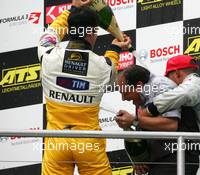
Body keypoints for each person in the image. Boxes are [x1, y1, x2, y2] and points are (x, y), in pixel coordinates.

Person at [37, 0, 131, 174]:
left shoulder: (47, 56)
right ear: (92, 33)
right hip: (89, 144)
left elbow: (51, 33)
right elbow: (111, 64)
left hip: (57, 142)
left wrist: (72, 10)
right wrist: (115, 48)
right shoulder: (104, 67)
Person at [141, 55, 200, 175]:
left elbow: (182, 94)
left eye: (169, 78)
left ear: (177, 73)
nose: (169, 85)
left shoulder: (195, 83)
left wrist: (149, 110)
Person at [115, 65, 199, 175]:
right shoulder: (142, 96)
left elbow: (170, 125)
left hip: (179, 155)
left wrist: (134, 120)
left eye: (125, 93)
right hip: (162, 158)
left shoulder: (160, 86)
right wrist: (140, 160)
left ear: (139, 86)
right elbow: (147, 126)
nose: (123, 98)